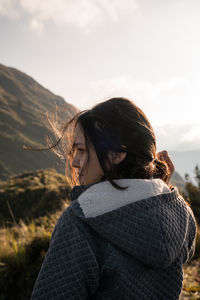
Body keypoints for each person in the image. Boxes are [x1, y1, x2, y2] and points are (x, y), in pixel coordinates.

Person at [31, 97, 196, 300]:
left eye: (81, 150)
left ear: (117, 155)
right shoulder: (181, 212)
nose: (74, 162)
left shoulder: (82, 221)